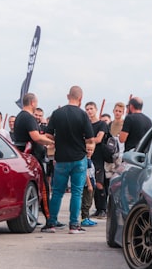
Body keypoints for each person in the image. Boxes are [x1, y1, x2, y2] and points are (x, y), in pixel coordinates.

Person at [42, 86, 95, 235]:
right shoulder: (83, 114)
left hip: (61, 159)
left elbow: (49, 135)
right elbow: (90, 138)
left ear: (67, 96)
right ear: (81, 98)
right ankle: (74, 225)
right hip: (79, 158)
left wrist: (58, 140)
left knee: (57, 192)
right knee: (77, 192)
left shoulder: (57, 113)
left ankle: (51, 223)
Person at [12, 92, 53, 226]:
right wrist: (51, 142)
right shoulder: (28, 118)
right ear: (33, 103)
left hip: (27, 157)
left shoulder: (20, 117)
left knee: (34, 190)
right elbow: (36, 137)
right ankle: (50, 220)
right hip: (33, 158)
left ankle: (35, 217)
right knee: (43, 189)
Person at [84, 101, 109, 218]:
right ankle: (98, 208)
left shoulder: (102, 124)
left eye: (91, 109)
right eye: (87, 109)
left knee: (99, 183)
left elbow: (99, 139)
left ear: (96, 109)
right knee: (91, 183)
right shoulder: (85, 124)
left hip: (98, 156)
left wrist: (87, 141)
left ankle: (103, 208)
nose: (89, 111)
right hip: (87, 157)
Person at [80, 142, 97, 227]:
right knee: (86, 201)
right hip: (87, 183)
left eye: (91, 150)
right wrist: (89, 184)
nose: (89, 152)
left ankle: (87, 217)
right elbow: (86, 173)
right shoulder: (86, 161)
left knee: (90, 201)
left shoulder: (90, 160)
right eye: (88, 150)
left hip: (92, 181)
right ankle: (84, 218)